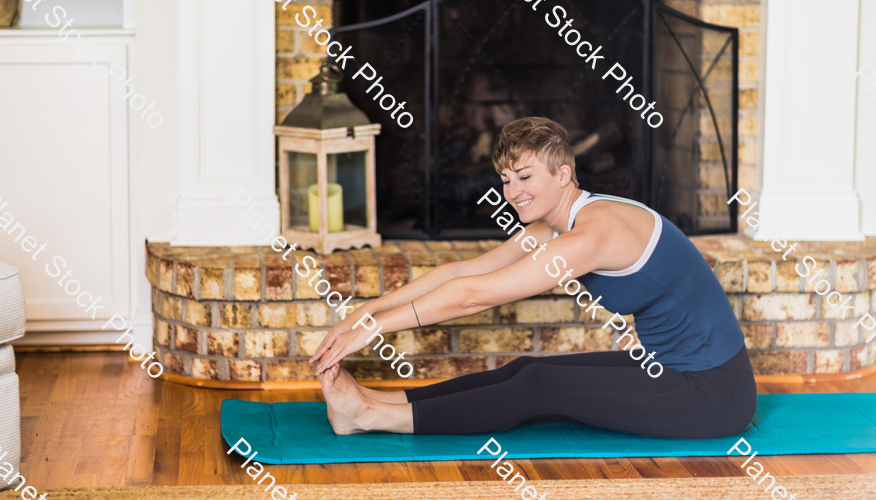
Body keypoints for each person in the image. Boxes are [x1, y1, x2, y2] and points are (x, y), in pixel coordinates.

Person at [310, 117, 757, 438]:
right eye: (505, 179)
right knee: (528, 368)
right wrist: (368, 309)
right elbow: (464, 270)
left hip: (712, 393)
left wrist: (373, 329)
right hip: (668, 367)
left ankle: (372, 417)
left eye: (524, 176)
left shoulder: (594, 233)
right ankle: (380, 400)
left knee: (538, 387)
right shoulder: (558, 221)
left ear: (563, 174)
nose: (513, 192)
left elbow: (471, 296)